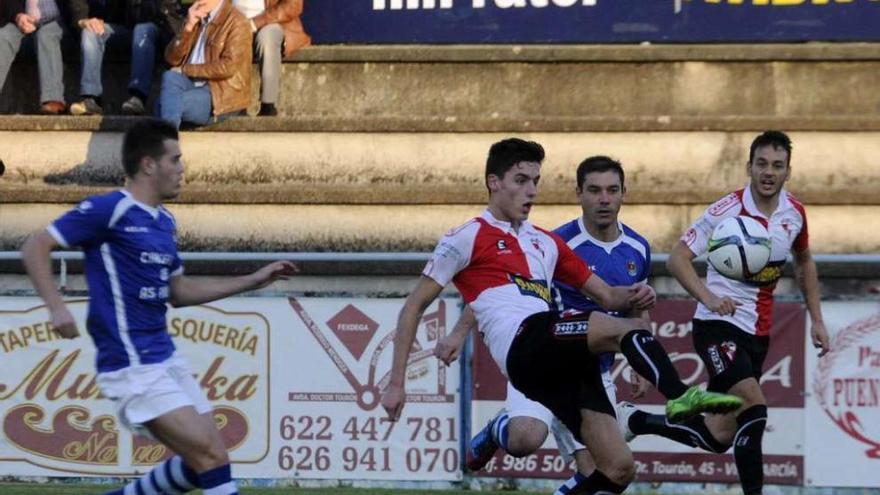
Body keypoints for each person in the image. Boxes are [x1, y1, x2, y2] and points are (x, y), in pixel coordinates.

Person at [381, 138, 743, 494]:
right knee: (620, 332)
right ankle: (681, 397)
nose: (532, 191)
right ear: (494, 182)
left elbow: (607, 295)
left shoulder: (545, 243)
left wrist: (637, 293)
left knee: (618, 469)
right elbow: (413, 306)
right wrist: (397, 381)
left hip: (567, 362)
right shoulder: (467, 236)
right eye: (521, 180)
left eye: (536, 181)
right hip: (526, 344)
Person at [21, 118, 297, 495]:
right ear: (149, 164)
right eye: (175, 159)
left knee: (207, 462)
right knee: (211, 457)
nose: (182, 169)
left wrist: (253, 279)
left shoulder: (165, 222)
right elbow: (35, 245)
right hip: (131, 363)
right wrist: (56, 307)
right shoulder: (110, 210)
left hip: (165, 358)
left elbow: (178, 292)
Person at [617, 130, 831, 495]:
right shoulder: (726, 210)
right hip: (717, 326)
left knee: (718, 437)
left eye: (777, 166)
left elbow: (804, 261)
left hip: (758, 334)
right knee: (755, 407)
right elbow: (678, 259)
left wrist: (817, 319)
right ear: (748, 166)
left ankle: (635, 419)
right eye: (761, 164)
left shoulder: (794, 214)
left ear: (788, 172)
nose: (768, 172)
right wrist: (709, 297)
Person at [436, 155, 653, 495]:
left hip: (593, 372)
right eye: (594, 190)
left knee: (602, 473)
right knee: (524, 438)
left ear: (624, 193)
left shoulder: (638, 247)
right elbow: (500, 289)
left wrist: (642, 357)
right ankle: (499, 429)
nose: (604, 199)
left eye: (612, 190)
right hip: (543, 355)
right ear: (579, 193)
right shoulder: (552, 241)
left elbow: (634, 302)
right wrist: (458, 332)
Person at [159, 0, 252, 129]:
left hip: (218, 95)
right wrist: (188, 27)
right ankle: (169, 136)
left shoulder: (237, 22)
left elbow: (228, 67)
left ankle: (167, 143)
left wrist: (186, 70)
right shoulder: (196, 17)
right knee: (169, 77)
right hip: (190, 84)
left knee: (165, 104)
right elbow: (171, 58)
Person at [231, 0, 310, 116]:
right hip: (234, 26)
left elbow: (293, 5)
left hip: (271, 23)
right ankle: (238, 106)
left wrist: (255, 23)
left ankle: (268, 105)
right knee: (233, 39)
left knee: (267, 39)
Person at [0, 0, 66, 114]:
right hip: (21, 21)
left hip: (57, 22)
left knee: (46, 35)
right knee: (3, 37)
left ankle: (53, 98)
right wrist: (18, 16)